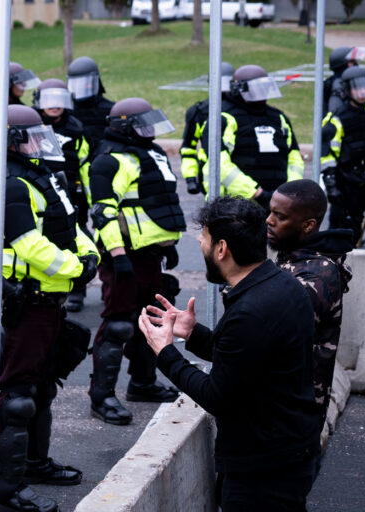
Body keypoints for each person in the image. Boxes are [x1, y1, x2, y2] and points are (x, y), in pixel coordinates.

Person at [140, 195, 321, 511]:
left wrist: (165, 352)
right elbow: (246, 361)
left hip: (263, 471)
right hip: (289, 452)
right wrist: (192, 333)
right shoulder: (280, 283)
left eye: (205, 237)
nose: (199, 242)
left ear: (221, 249)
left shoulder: (250, 311)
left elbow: (217, 395)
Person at [0, 105, 99, 512]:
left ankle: (35, 464)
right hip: (27, 302)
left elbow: (71, 226)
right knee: (17, 396)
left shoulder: (43, 175)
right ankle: (3, 489)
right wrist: (75, 270)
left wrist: (89, 257)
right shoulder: (10, 183)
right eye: (33, 136)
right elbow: (29, 245)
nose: (41, 142)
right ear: (13, 141)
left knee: (42, 387)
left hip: (51, 299)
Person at [87, 97, 184, 425]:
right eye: (142, 124)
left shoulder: (152, 153)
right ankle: (101, 397)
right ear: (125, 127)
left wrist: (166, 244)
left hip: (149, 254)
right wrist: (117, 255)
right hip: (123, 255)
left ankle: (142, 383)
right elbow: (103, 211)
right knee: (118, 325)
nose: (150, 130)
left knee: (150, 321)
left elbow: (158, 202)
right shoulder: (109, 160)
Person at [267, 179, 354, 432]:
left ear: (308, 225)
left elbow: (271, 325)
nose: (268, 221)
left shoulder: (318, 274)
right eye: (270, 211)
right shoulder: (294, 257)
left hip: (294, 418)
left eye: (279, 216)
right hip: (281, 409)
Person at [201, 64, 304, 209]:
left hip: (278, 203)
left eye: (264, 88)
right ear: (238, 90)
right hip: (236, 205)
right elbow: (219, 164)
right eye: (256, 90)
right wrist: (257, 194)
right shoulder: (222, 118)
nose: (261, 95)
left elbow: (294, 158)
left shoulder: (279, 117)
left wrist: (288, 193)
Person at [33, 78, 92, 312]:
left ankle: (77, 289)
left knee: (74, 237)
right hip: (40, 190)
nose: (54, 105)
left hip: (73, 192)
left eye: (59, 100)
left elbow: (86, 161)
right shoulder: (31, 125)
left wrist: (88, 194)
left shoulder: (76, 128)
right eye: (49, 100)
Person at [321, 66, 365, 246]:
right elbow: (327, 156)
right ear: (347, 90)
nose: (362, 92)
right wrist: (332, 185)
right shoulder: (336, 120)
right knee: (343, 229)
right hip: (346, 183)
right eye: (357, 87)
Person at [180, 62, 235, 195]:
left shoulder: (243, 109)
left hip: (240, 173)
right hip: (210, 174)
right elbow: (188, 148)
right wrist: (190, 178)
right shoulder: (199, 112)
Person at [66, 56, 115, 155]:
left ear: (95, 82)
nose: (82, 87)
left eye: (85, 82)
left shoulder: (110, 109)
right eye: (76, 83)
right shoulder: (66, 110)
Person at [323, 46, 358, 114]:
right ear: (343, 65)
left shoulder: (347, 82)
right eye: (352, 62)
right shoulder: (338, 85)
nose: (355, 65)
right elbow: (335, 112)